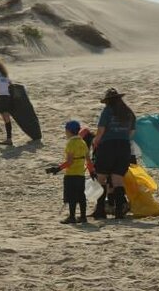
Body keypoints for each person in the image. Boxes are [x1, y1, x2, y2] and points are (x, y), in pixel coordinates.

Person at [92, 88, 136, 219]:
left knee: (101, 178)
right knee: (118, 180)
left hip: (108, 146)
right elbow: (131, 133)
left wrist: (95, 142)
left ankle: (100, 210)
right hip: (124, 147)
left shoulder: (107, 111)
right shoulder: (129, 112)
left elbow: (101, 131)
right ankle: (119, 210)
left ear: (108, 101)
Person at [46, 120, 93, 224]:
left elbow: (70, 162)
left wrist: (58, 169)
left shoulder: (70, 143)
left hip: (71, 174)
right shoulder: (83, 142)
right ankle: (83, 217)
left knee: (71, 197)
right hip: (81, 175)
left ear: (69, 131)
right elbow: (88, 160)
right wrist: (92, 172)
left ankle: (72, 217)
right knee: (81, 196)